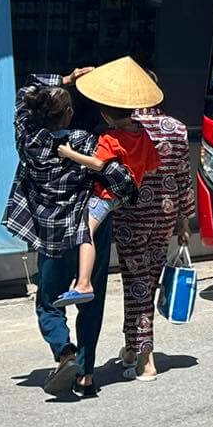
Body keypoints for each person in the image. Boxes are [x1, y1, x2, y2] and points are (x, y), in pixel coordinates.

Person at [3, 69, 136, 398]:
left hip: (51, 236)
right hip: (88, 234)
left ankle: (64, 353)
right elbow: (122, 179)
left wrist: (66, 79)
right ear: (69, 114)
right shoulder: (85, 142)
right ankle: (86, 375)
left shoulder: (28, 141)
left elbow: (24, 94)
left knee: (48, 304)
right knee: (92, 302)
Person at [52, 59, 163, 309]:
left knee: (85, 231)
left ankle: (83, 283)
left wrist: (68, 153)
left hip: (106, 194)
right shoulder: (141, 133)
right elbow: (153, 166)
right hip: (126, 192)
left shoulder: (110, 137)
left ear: (105, 115)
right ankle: (82, 281)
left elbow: (98, 164)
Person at [115, 85, 194, 381]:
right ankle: (131, 345)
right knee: (147, 282)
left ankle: (145, 357)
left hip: (131, 213)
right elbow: (184, 175)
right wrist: (184, 222)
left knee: (134, 282)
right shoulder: (177, 128)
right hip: (166, 211)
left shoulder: (125, 127)